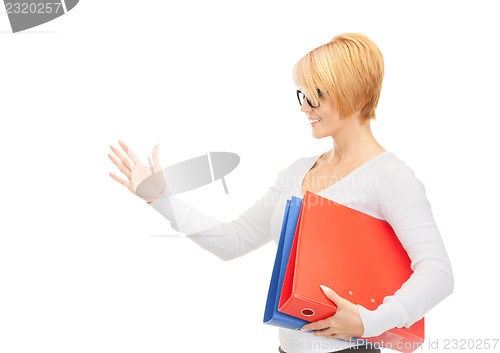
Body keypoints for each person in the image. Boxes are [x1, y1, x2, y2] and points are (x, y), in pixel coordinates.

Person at [108, 33, 454, 353]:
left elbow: (438, 273)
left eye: (316, 95)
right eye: (302, 95)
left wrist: (370, 321)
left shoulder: (390, 176)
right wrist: (162, 200)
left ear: (354, 93)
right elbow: (235, 239)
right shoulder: (297, 171)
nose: (304, 107)